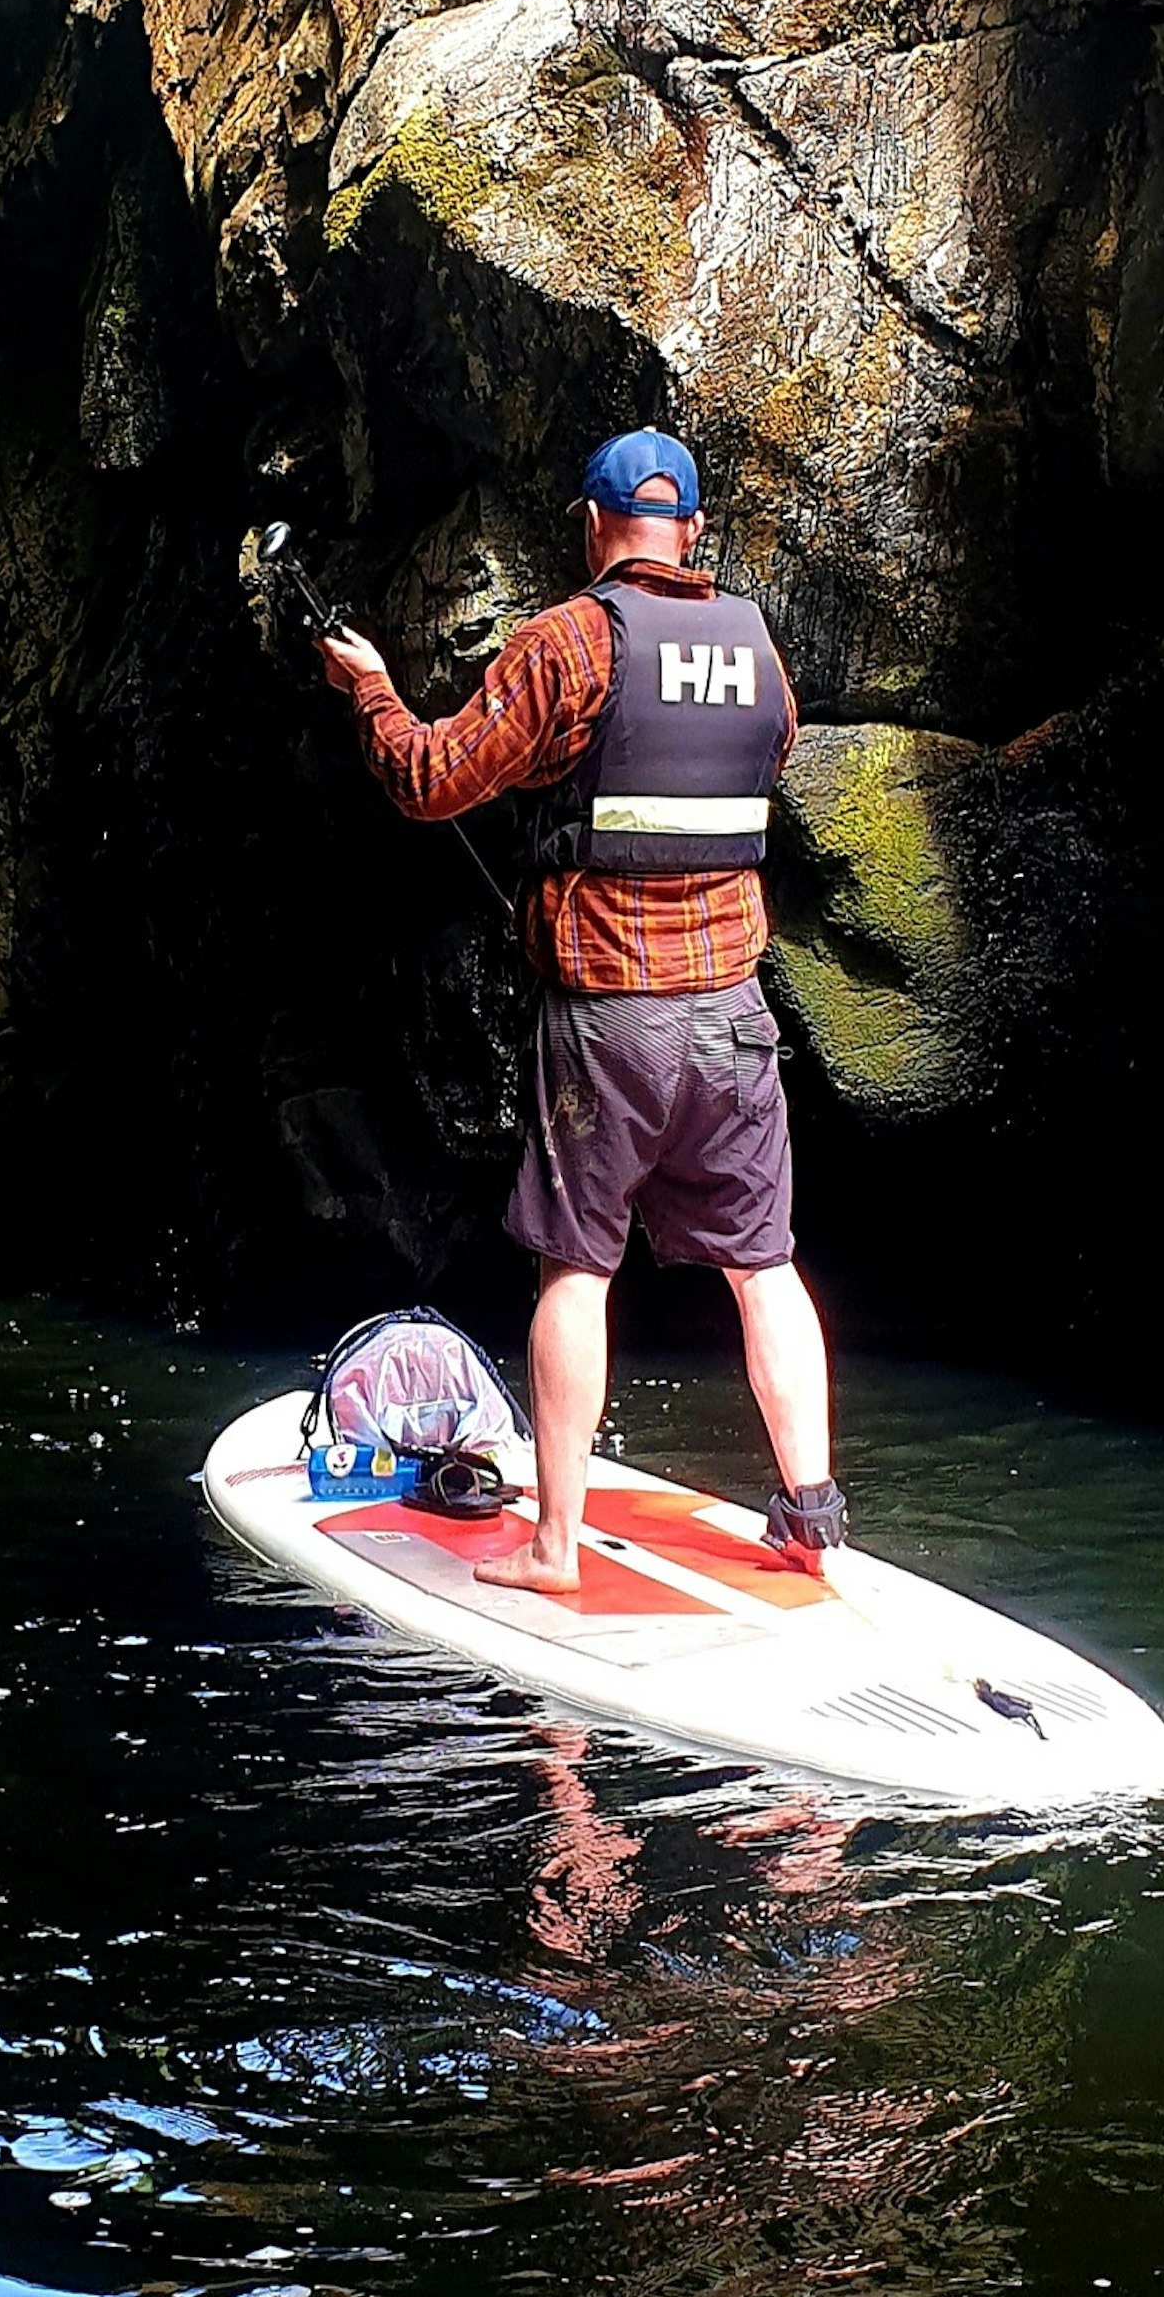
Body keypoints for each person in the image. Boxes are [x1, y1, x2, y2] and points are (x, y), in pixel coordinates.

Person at [313, 429, 845, 1596]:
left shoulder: (570, 644)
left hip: (612, 1021)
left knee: (576, 1269)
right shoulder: (759, 649)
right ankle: (811, 1513)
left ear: (592, 525)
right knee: (764, 1263)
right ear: (692, 532)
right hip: (736, 1016)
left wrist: (374, 696)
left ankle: (553, 1550)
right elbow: (771, 753)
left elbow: (428, 778)